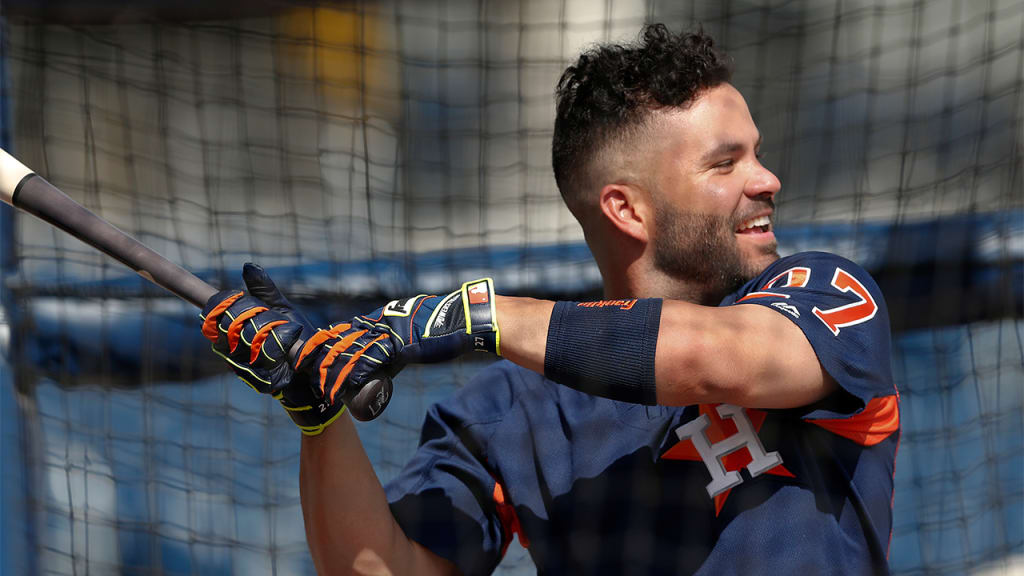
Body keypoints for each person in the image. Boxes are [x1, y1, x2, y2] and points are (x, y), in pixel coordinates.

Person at [200, 24, 899, 575]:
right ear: (627, 210)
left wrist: (467, 315)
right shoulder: (509, 409)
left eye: (756, 152)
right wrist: (317, 417)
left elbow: (718, 358)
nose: (768, 178)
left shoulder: (823, 293)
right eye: (726, 163)